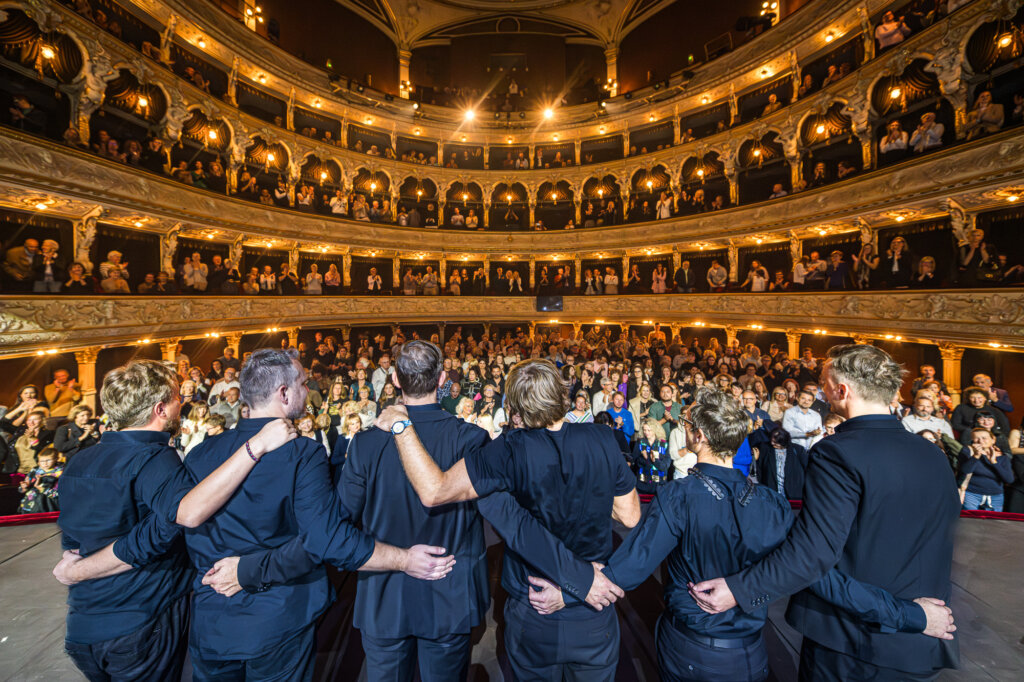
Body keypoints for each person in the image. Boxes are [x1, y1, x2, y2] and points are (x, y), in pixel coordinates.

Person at [221, 341, 604, 680]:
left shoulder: (368, 444)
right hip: (450, 598)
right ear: (443, 381)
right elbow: (510, 520)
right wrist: (580, 576)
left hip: (384, 601)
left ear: (397, 381)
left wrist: (251, 568)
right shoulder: (473, 438)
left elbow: (337, 527)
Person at [529, 388, 955, 682]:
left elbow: (629, 568)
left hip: (692, 650)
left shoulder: (680, 496)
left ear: (697, 437)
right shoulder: (770, 502)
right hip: (753, 653)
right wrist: (911, 616)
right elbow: (822, 577)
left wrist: (567, 593)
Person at [180, 348, 458, 679]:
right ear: (283, 394)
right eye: (302, 382)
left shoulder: (199, 454)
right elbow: (325, 540)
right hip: (278, 619)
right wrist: (405, 560)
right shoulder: (301, 453)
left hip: (212, 622)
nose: (306, 388)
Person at [690, 344, 961, 680]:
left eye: (822, 383)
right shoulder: (932, 454)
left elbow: (811, 557)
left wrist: (739, 589)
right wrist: (918, 618)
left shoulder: (837, 454)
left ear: (841, 390)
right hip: (922, 644)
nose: (820, 390)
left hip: (852, 647)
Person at [376, 358, 641, 680]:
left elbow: (434, 491)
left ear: (514, 404)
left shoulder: (507, 450)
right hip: (593, 608)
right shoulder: (602, 437)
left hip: (534, 604)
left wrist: (401, 426)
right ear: (562, 394)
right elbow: (629, 515)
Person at [49, 360, 304, 681]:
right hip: (139, 623)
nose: (180, 403)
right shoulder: (154, 459)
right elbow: (181, 518)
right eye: (175, 398)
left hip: (83, 626)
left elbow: (72, 542)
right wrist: (257, 446)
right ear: (160, 409)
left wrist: (77, 569)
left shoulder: (80, 461)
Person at [959, 428, 1014, 511]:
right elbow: (964, 471)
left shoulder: (1002, 457)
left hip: (996, 496)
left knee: (994, 523)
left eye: (984, 438)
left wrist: (994, 462)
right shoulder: (967, 451)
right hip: (972, 494)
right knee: (970, 522)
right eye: (976, 438)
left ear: (993, 440)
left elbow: (1009, 479)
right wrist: (976, 456)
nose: (980, 441)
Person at [753, 427, 809, 500]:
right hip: (772, 495)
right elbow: (759, 469)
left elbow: (807, 469)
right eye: (772, 440)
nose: (772, 443)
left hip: (793, 496)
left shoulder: (798, 450)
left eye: (776, 442)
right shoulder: (765, 448)